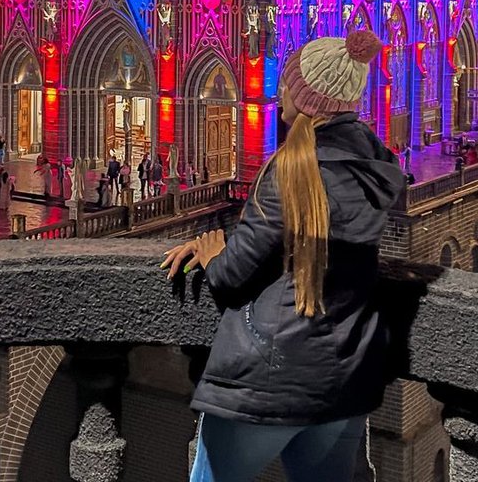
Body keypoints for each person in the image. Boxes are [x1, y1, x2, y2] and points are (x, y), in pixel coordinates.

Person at [162, 32, 403, 482]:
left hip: (271, 378)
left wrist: (214, 251)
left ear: (307, 97)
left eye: (288, 82)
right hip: (346, 376)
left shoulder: (291, 168)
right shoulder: (379, 165)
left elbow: (232, 276)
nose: (280, 90)